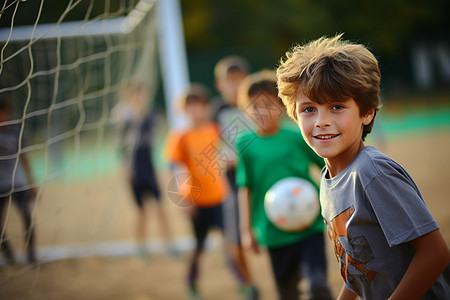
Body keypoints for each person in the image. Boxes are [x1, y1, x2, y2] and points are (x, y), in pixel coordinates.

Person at [276, 34, 450, 300]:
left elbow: (435, 253)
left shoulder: (371, 172)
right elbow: (359, 265)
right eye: (309, 109)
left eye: (336, 107)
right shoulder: (328, 178)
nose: (321, 121)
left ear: (367, 112)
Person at [235, 70, 334, 300]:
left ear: (282, 107)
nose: (260, 112)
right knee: (287, 293)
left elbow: (328, 166)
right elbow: (244, 187)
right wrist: (246, 230)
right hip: (273, 231)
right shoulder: (244, 144)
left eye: (267, 104)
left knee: (318, 286)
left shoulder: (298, 137)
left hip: (310, 225)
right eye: (253, 106)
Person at [166, 83, 252, 299]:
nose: (195, 111)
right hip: (197, 201)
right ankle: (191, 280)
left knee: (229, 243)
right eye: (190, 107)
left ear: (205, 108)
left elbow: (223, 156)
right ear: (183, 110)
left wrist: (230, 161)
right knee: (199, 246)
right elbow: (175, 169)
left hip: (220, 198)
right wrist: (183, 200)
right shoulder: (180, 136)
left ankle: (243, 283)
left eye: (199, 106)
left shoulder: (214, 130)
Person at [212, 55, 259, 299]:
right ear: (220, 85)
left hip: (259, 174)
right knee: (235, 238)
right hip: (231, 181)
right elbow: (208, 147)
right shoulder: (215, 112)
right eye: (230, 81)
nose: (236, 86)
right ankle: (248, 283)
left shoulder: (258, 107)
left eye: (240, 81)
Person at [117, 83, 177, 260]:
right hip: (134, 171)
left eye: (141, 94)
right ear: (129, 98)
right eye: (135, 95)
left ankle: (170, 245)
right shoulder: (125, 119)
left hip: (149, 169)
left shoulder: (152, 115)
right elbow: (121, 148)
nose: (139, 98)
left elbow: (155, 136)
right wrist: (125, 170)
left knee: (160, 208)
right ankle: (141, 247)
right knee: (140, 211)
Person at [0, 95, 37, 265]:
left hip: (18, 182)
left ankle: (31, 254)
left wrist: (31, 182)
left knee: (26, 216)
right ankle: (8, 255)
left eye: (5, 112)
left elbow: (25, 158)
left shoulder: (17, 130)